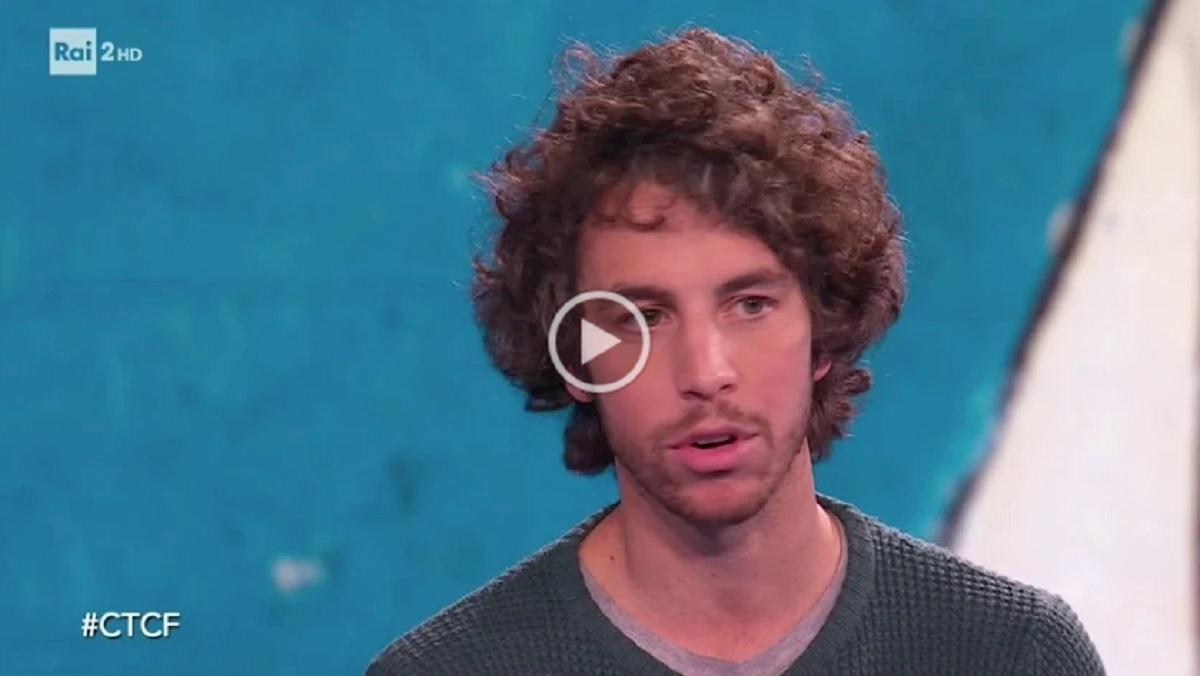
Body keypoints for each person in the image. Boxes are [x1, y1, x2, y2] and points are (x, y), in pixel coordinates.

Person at [367, 27, 1105, 676]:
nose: (706, 373)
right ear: (576, 357)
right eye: (644, 318)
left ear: (824, 331)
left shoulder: (1011, 654)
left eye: (750, 305)